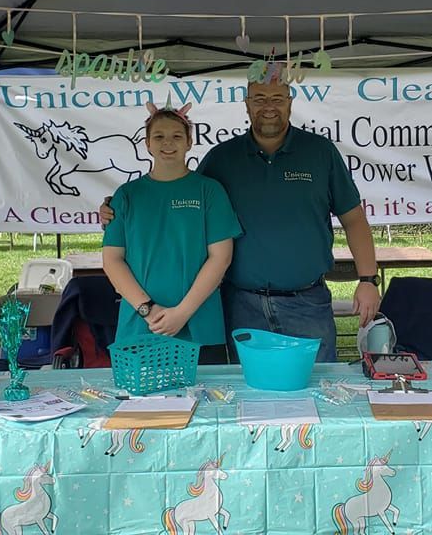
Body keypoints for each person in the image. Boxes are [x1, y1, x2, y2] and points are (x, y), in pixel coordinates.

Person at [103, 67, 380, 363]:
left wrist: (367, 279)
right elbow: (175, 193)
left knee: (315, 389)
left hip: (307, 303)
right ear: (247, 104)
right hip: (242, 305)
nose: (269, 107)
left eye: (277, 98)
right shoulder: (221, 159)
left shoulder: (320, 152)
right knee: (248, 399)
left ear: (290, 101)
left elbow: (354, 219)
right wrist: (116, 208)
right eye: (259, 99)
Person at [101, 103, 242, 365]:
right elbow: (112, 260)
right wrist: (148, 310)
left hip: (200, 327)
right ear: (147, 144)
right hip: (140, 327)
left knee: (207, 403)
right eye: (159, 136)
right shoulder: (126, 196)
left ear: (190, 142)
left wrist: (182, 312)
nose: (168, 143)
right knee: (142, 405)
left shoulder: (209, 191)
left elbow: (220, 258)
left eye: (177, 136)